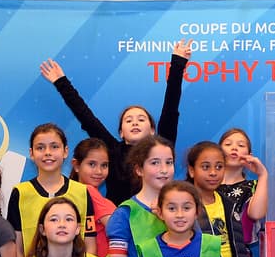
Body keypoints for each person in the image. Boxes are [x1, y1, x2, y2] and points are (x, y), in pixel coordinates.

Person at [41, 41, 190, 205]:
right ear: (121, 132)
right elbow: (86, 116)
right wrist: (61, 81)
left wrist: (177, 64)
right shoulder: (112, 150)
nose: (135, 123)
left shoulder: (162, 147)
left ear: (152, 130)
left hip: (158, 218)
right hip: (117, 221)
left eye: (141, 119)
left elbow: (170, 107)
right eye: (128, 120)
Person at [6, 123, 96, 257]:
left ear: (65, 151)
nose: (48, 152)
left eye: (54, 147)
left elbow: (90, 245)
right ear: (31, 153)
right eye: (40, 147)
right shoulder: (20, 193)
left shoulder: (81, 192)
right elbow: (17, 248)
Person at [215, 127, 269, 257]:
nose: (234, 148)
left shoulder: (253, 187)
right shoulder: (207, 185)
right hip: (210, 255)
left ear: (249, 155)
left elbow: (256, 214)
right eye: (228, 144)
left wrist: (262, 176)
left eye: (240, 145)